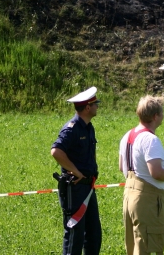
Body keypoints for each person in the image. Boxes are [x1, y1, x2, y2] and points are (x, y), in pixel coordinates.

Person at [119, 95, 164, 255]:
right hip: (147, 201)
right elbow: (156, 172)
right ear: (155, 116)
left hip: (129, 196)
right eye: (162, 112)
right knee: (149, 246)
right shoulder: (150, 140)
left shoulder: (127, 136)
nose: (163, 116)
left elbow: (122, 167)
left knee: (134, 247)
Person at [51, 86, 102, 255]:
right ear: (87, 107)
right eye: (95, 104)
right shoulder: (71, 129)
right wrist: (76, 171)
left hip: (88, 187)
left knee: (93, 234)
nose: (97, 106)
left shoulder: (89, 127)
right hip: (75, 187)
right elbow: (56, 151)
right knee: (75, 234)